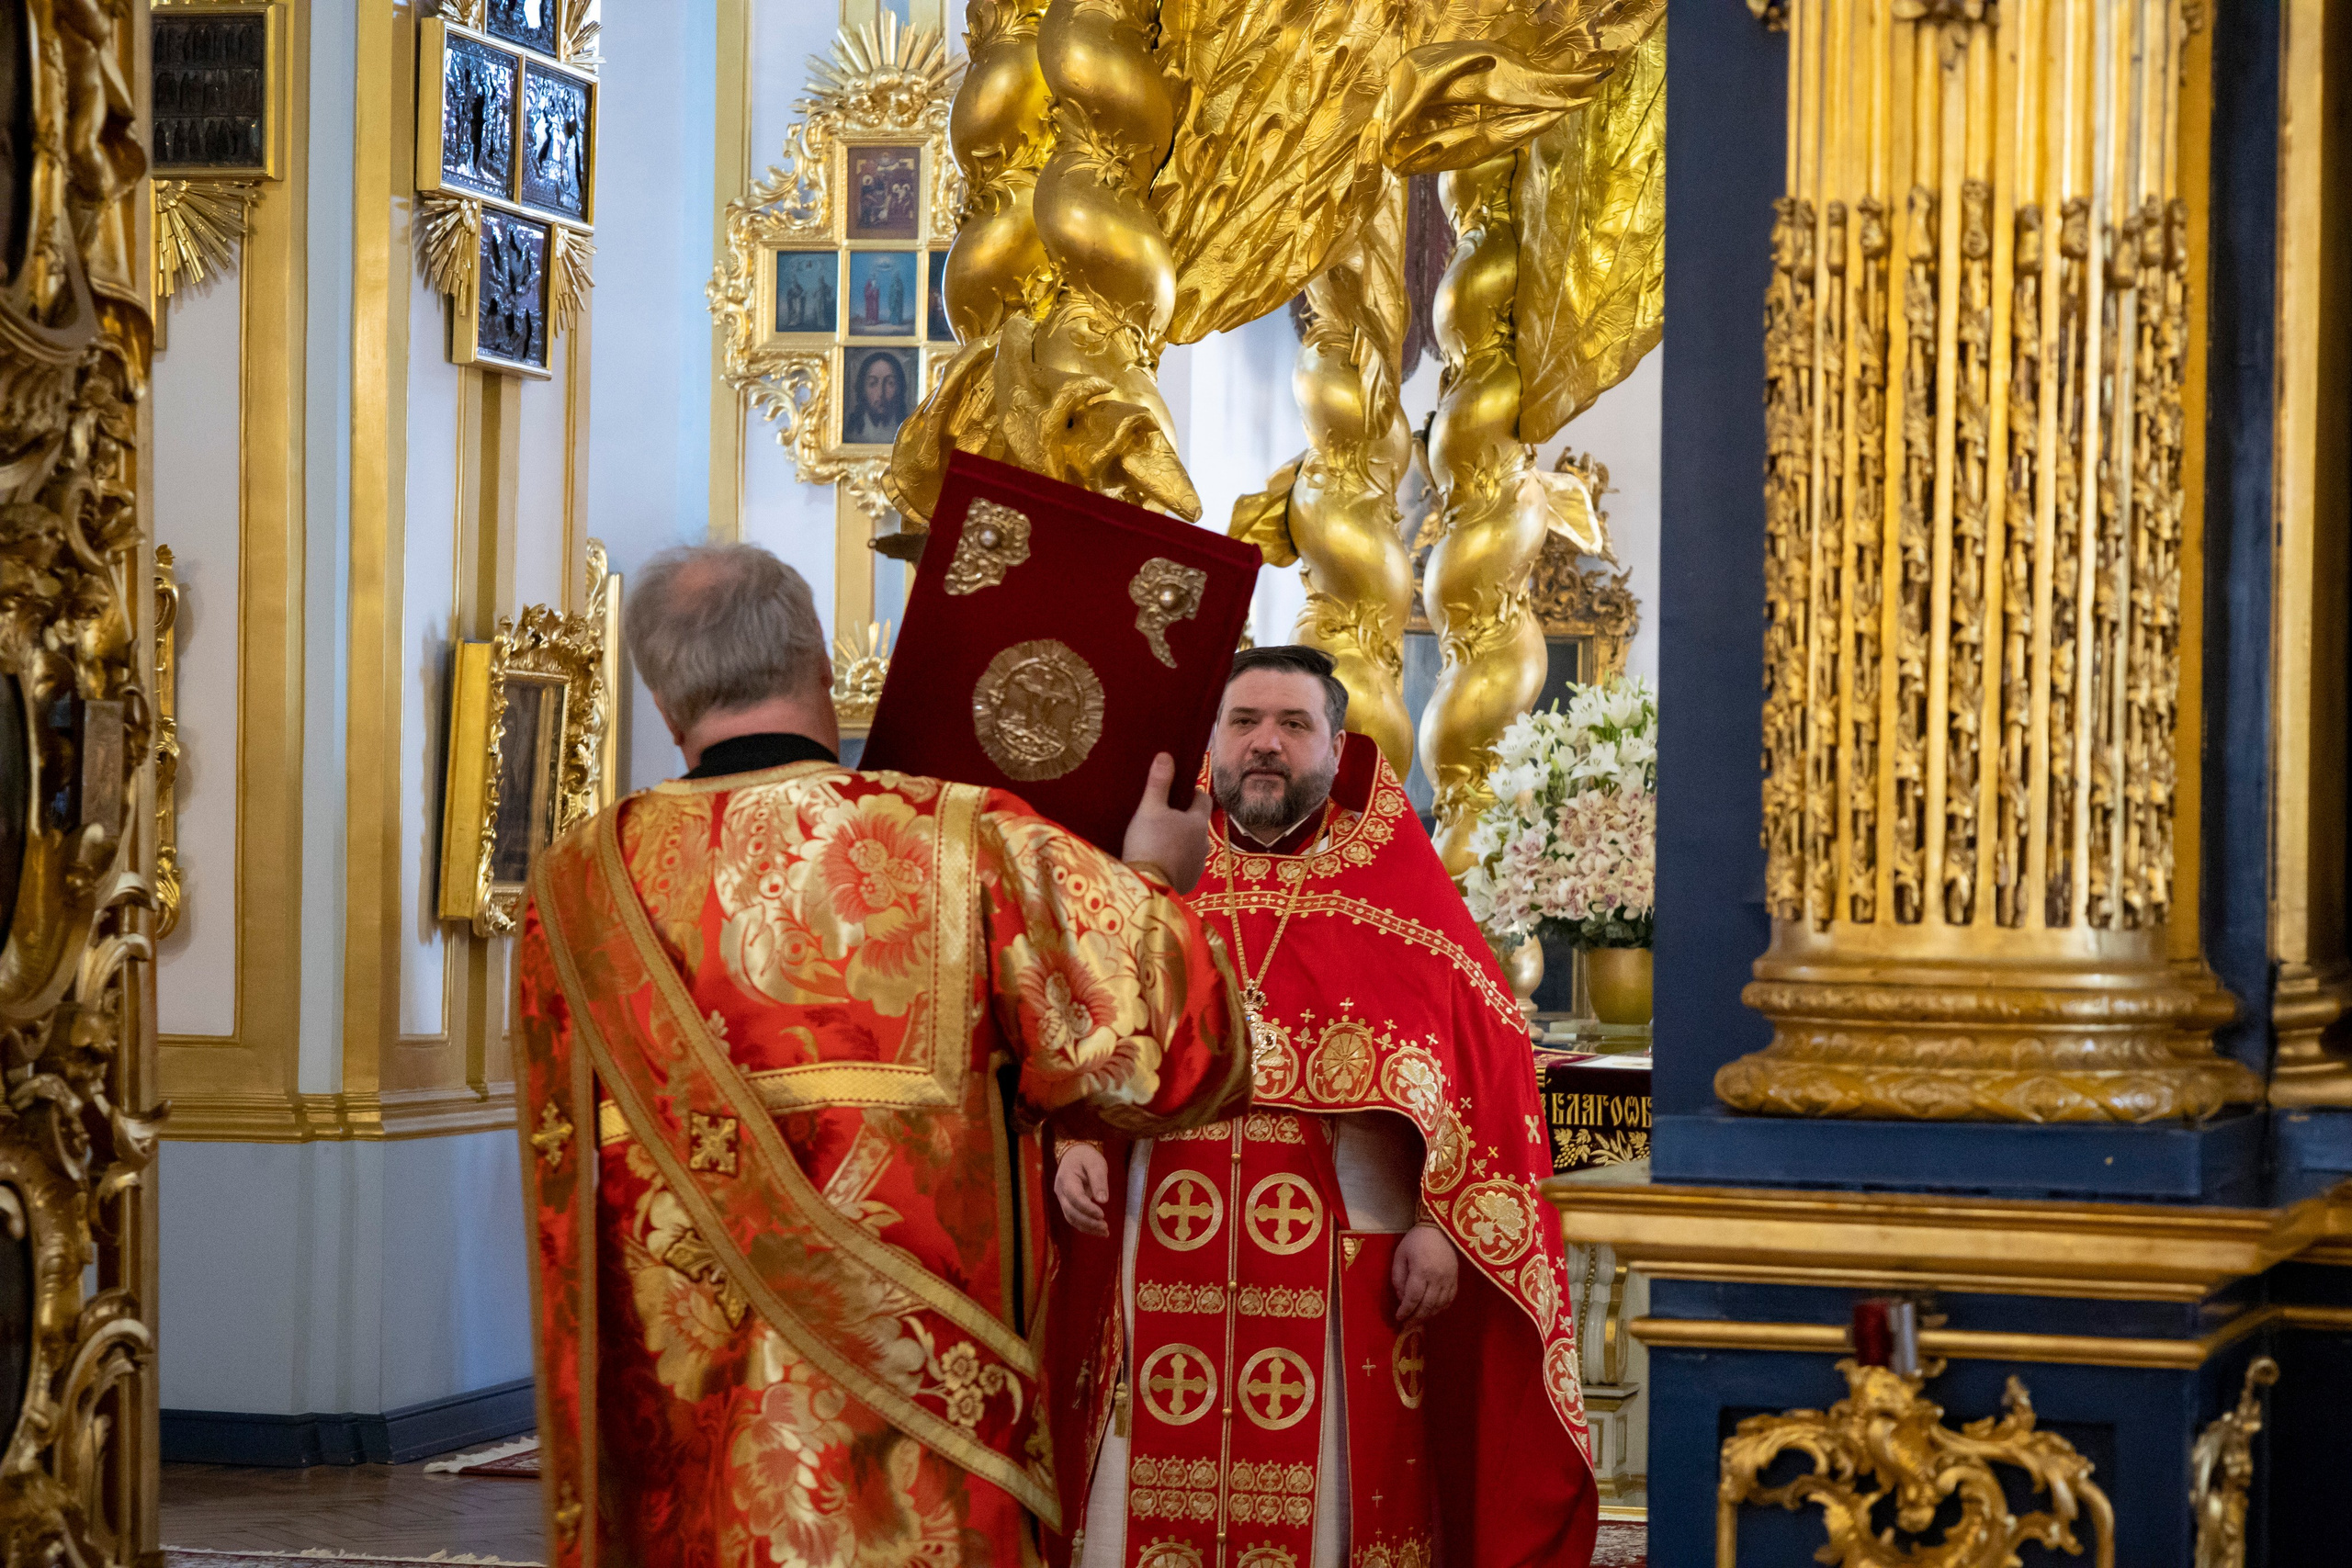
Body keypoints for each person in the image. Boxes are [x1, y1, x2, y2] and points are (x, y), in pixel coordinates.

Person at [514, 545, 1253, 1568]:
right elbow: (1165, 1055)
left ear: (658, 692)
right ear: (819, 661)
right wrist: (1154, 877)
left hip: (686, 1437)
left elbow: (568, 1195)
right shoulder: (963, 840)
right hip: (924, 1433)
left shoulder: (575, 884)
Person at [1046, 646, 1595, 1568]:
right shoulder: (1143, 872)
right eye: (1244, 723)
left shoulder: (1400, 893)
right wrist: (1068, 1139)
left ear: (1337, 750)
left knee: (1328, 1523)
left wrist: (1439, 1224)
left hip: (1343, 1274)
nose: (1266, 745)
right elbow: (1062, 1022)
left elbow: (1479, 1077)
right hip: (1150, 1241)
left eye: (1293, 726)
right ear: (1209, 742)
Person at [844, 349, 910, 445]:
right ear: (862, 389)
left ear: (900, 388)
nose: (880, 393)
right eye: (872, 383)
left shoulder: (909, 427)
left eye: (890, 383)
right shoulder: (850, 429)